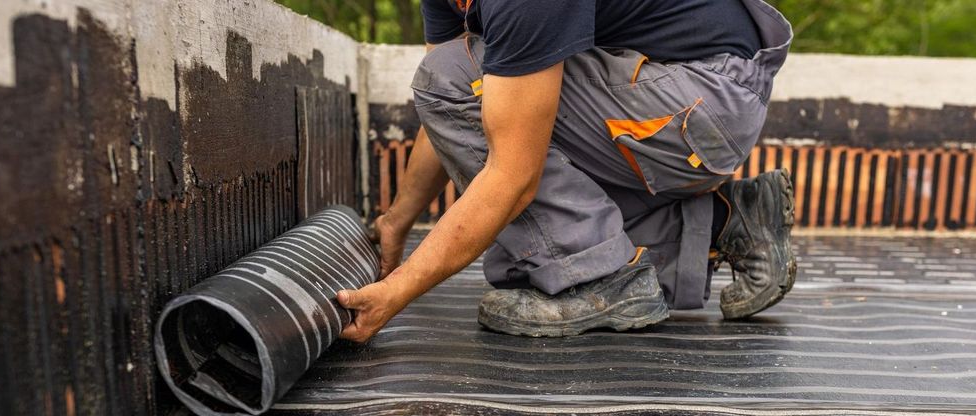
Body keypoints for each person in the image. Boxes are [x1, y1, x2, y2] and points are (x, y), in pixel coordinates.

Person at [337, 0, 795, 341]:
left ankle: (598, 280)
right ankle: (728, 221)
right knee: (524, 247)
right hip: (676, 98)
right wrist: (397, 220)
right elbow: (449, 107)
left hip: (703, 100)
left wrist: (397, 292)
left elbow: (509, 172)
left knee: (533, 231)